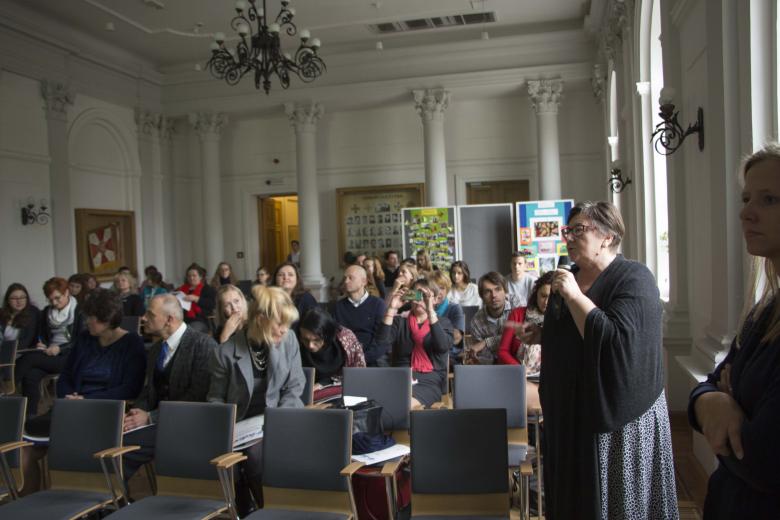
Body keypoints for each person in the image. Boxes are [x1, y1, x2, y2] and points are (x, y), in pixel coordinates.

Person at [518, 201, 677, 519]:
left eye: (579, 230)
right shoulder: (571, 277)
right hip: (569, 418)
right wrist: (542, 332)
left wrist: (576, 297)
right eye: (567, 230)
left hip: (617, 425)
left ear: (607, 236)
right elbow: (573, 334)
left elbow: (615, 344)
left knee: (616, 505)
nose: (569, 237)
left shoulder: (634, 279)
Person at [688, 145, 780, 518]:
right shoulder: (764, 311)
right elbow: (707, 383)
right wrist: (716, 400)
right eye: (746, 199)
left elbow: (762, 457)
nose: (745, 213)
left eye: (769, 199)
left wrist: (727, 398)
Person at [21, 288, 146, 493]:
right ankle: (29, 505)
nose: (87, 321)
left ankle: (94, 500)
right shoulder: (85, 339)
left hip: (104, 411)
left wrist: (87, 399)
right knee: (24, 448)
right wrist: (70, 398)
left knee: (72, 450)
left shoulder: (132, 343)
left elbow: (130, 388)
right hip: (71, 409)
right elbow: (66, 376)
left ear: (107, 319)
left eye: (92, 318)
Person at [208, 285, 306, 514]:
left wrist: (279, 421)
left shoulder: (288, 339)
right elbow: (215, 399)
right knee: (251, 454)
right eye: (279, 324)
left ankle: (274, 508)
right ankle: (270, 509)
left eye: (287, 324)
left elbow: (295, 385)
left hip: (283, 416)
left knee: (259, 454)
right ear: (260, 319)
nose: (284, 330)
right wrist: (224, 429)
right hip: (242, 425)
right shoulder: (224, 353)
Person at [122, 294, 216, 482]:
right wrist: (136, 412)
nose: (143, 318)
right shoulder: (157, 349)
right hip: (159, 421)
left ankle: (106, 501)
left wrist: (150, 417)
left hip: (187, 424)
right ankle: (106, 500)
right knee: (110, 435)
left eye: (149, 314)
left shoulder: (202, 345)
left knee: (122, 448)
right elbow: (149, 390)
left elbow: (198, 398)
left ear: (169, 320)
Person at [376, 278, 453, 408]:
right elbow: (381, 342)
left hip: (429, 381)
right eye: (416, 294)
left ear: (435, 299)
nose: (419, 299)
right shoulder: (400, 322)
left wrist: (430, 311)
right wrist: (391, 308)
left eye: (425, 296)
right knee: (379, 404)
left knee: (403, 405)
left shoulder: (443, 323)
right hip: (399, 379)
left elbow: (442, 346)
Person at [15, 277, 85, 418]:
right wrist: (42, 343)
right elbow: (43, 335)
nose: (54, 302)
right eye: (50, 299)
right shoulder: (47, 311)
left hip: (70, 357)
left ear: (67, 292)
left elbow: (82, 341)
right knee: (31, 375)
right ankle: (29, 418)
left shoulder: (80, 311)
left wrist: (60, 349)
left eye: (57, 298)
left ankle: (5, 389)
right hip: (50, 354)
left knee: (28, 360)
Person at [498, 271, 553, 415]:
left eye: (552, 297)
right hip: (521, 376)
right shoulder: (518, 314)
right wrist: (520, 371)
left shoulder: (562, 321)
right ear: (536, 294)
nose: (547, 302)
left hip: (550, 379)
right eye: (543, 296)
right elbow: (503, 351)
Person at [298, 307, 366, 392]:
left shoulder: (346, 340)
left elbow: (357, 375)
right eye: (305, 339)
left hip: (344, 389)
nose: (310, 345)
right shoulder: (296, 344)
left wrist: (323, 384)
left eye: (317, 340)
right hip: (308, 391)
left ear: (327, 335)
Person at [333, 265, 387, 366]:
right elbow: (335, 338)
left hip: (372, 359)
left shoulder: (378, 304)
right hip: (345, 360)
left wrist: (361, 359)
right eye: (345, 278)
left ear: (364, 281)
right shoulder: (338, 306)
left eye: (350, 278)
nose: (345, 281)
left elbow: (381, 340)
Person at [468, 272, 522, 364]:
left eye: (498, 289)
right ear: (482, 296)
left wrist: (486, 342)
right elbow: (482, 356)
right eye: (488, 291)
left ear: (505, 292)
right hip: (492, 367)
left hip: (519, 362)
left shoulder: (516, 306)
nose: (494, 295)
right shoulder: (476, 322)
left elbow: (520, 337)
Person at [428, 271, 465, 365]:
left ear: (447, 290)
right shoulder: (423, 308)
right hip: (426, 353)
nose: (438, 292)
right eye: (434, 288)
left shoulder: (454, 308)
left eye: (442, 288)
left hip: (449, 354)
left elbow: (457, 338)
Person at [272, 262, 317, 328]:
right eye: (281, 275)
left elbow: (314, 325)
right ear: (275, 279)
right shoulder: (269, 298)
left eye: (290, 275)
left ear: (297, 279)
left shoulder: (306, 298)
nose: (286, 277)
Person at [176, 263, 216, 335]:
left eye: (194, 276)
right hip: (182, 319)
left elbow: (212, 304)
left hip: (201, 320)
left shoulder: (207, 289)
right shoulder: (181, 289)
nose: (191, 278)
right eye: (189, 276)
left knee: (190, 330)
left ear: (200, 277)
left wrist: (197, 299)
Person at [0, 283, 40, 351]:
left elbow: (27, 341)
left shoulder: (33, 312)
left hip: (23, 352)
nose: (19, 301)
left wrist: (4, 349)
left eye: (22, 297)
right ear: (8, 300)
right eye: (14, 298)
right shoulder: (1, 313)